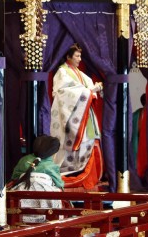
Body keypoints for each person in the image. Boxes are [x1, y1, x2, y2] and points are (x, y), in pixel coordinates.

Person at [50, 43, 103, 189]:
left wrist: (93, 89)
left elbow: (86, 89)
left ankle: (89, 182)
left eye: (80, 56)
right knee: (72, 147)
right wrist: (91, 90)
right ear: (68, 56)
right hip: (72, 116)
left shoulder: (80, 74)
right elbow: (65, 93)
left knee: (91, 143)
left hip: (86, 114)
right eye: (77, 56)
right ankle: (72, 180)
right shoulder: (62, 72)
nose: (80, 59)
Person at [8, 135, 63, 223]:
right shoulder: (52, 166)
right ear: (53, 153)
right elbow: (59, 184)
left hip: (22, 194)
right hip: (46, 197)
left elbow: (14, 177)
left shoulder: (24, 160)